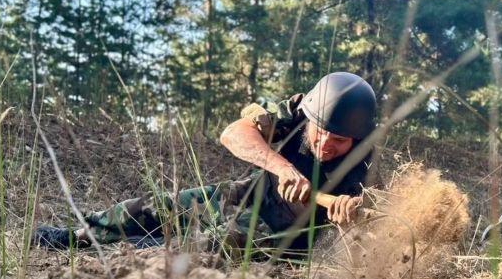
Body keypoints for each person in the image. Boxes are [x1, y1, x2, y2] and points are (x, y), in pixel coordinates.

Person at [33, 71, 378, 253]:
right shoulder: (297, 110)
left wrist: (347, 214)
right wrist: (282, 167)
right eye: (320, 133)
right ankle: (77, 236)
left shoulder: (364, 164)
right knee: (154, 209)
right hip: (251, 193)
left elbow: (368, 224)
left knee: (203, 245)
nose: (325, 145)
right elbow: (233, 133)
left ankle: (109, 250)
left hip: (282, 234)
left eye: (339, 141)